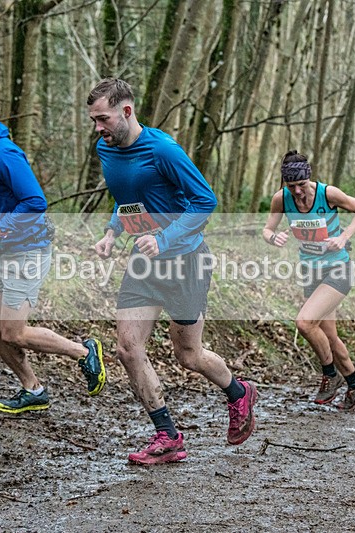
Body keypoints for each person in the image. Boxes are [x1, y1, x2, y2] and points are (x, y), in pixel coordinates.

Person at [88, 78, 256, 465]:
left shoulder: (164, 150)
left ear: (126, 112)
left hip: (186, 263)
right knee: (128, 349)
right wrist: (112, 233)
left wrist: (164, 239)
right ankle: (167, 436)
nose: (98, 128)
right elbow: (129, 200)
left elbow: (205, 201)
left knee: (189, 355)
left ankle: (238, 392)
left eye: (103, 118)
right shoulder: (106, 148)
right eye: (94, 120)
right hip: (144, 264)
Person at [0, 86, 105, 413]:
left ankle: (83, 352)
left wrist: (0, 227)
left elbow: (35, 201)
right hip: (1, 250)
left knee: (14, 332)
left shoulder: (4, 154)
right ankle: (32, 389)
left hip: (27, 250)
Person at [262, 150, 355, 409]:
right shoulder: (282, 199)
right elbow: (267, 229)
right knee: (329, 337)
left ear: (309, 179)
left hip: (337, 270)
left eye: (301, 185)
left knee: (305, 322)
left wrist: (343, 238)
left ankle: (330, 375)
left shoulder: (328, 193)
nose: (297, 192)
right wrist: (272, 237)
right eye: (291, 186)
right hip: (310, 272)